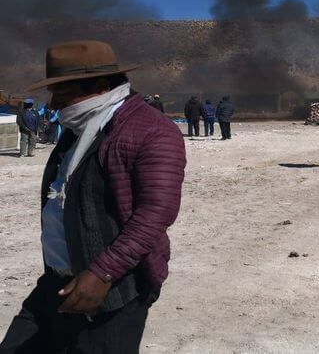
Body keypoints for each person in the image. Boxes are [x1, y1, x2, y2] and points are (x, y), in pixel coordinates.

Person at [0, 40, 186, 353]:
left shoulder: (152, 130)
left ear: (100, 86)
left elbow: (156, 212)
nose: (55, 103)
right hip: (56, 281)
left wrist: (103, 273)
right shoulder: (80, 127)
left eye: (62, 92)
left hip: (113, 289)